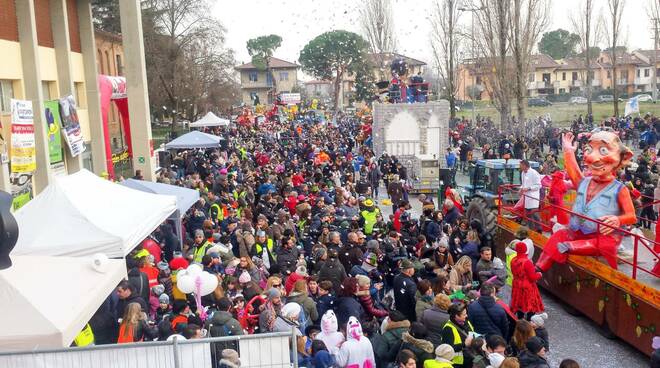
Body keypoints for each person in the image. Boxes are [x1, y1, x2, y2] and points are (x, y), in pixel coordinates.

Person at [510, 242, 544, 320]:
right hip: (527, 286)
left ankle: (519, 320)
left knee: (519, 303)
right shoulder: (527, 262)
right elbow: (532, 277)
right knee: (530, 305)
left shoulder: (513, 260)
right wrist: (539, 274)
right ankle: (529, 321)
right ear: (525, 249)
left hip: (516, 284)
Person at [441, 303, 474, 368]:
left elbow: (472, 332)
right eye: (464, 314)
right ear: (456, 316)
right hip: (458, 364)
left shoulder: (466, 321)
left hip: (469, 359)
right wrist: (464, 344)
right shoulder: (448, 328)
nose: (466, 315)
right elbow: (448, 349)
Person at [519, 160, 542, 232]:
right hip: (527, 197)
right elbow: (523, 184)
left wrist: (529, 188)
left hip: (533, 197)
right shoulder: (523, 173)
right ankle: (531, 230)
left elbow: (539, 185)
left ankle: (539, 229)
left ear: (525, 165)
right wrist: (521, 189)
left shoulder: (534, 173)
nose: (520, 167)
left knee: (534, 213)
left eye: (521, 165)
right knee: (528, 214)